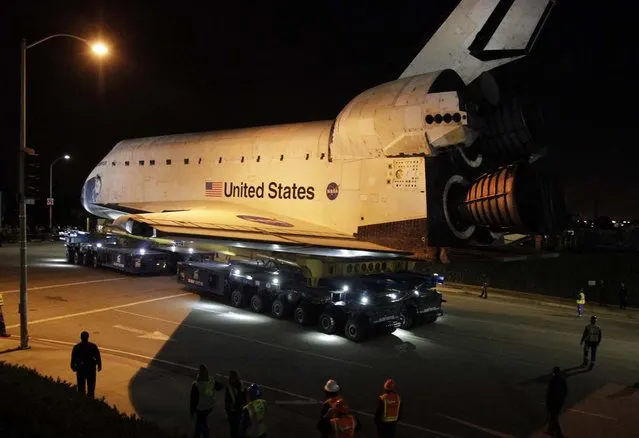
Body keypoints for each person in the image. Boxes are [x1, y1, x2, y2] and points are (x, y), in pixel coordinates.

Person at [190, 364, 223, 438]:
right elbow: (219, 387)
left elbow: (193, 400)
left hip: (201, 408)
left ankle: (201, 435)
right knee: (201, 421)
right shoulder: (211, 380)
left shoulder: (196, 385)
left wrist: (192, 411)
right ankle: (198, 435)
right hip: (210, 406)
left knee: (201, 422)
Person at [70, 331, 102, 397]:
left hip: (81, 369)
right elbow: (98, 356)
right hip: (90, 369)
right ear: (88, 337)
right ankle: (90, 402)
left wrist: (73, 366)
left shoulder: (77, 347)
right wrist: (99, 365)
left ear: (80, 337)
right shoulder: (93, 346)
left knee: (81, 388)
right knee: (91, 388)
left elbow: (73, 358)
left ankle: (82, 402)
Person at [545, 366, 567, 438]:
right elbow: (565, 392)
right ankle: (550, 431)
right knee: (553, 417)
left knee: (553, 418)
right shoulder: (563, 380)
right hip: (559, 402)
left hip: (553, 402)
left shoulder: (552, 380)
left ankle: (558, 434)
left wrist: (548, 403)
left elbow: (549, 393)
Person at [225, 370, 246, 438]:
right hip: (240, 411)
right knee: (239, 430)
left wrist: (228, 413)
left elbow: (227, 402)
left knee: (234, 431)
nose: (229, 379)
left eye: (231, 378)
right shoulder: (242, 385)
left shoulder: (229, 388)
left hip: (234, 413)